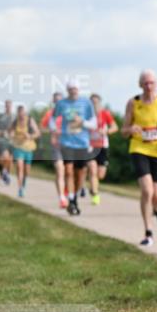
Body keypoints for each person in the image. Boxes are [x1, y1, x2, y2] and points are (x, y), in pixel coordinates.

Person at [122, 70, 157, 246]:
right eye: (145, 83)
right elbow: (123, 130)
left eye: (151, 83)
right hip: (139, 148)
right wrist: (131, 129)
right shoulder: (133, 103)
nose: (149, 86)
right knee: (147, 191)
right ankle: (148, 232)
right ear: (140, 85)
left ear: (156, 84)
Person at [50, 81, 98, 215]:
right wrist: (54, 129)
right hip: (66, 142)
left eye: (75, 89)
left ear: (79, 90)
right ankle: (70, 199)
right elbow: (52, 119)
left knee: (80, 173)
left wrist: (82, 122)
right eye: (71, 89)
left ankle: (74, 197)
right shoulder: (62, 104)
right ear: (67, 90)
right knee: (69, 171)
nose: (73, 91)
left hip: (82, 143)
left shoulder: (86, 103)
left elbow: (94, 123)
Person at [87, 93, 118, 206]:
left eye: (96, 102)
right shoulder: (87, 115)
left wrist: (106, 131)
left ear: (100, 103)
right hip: (90, 147)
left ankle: (92, 187)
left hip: (103, 146)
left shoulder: (105, 114)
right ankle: (95, 194)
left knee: (101, 175)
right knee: (92, 169)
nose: (94, 104)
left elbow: (115, 127)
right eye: (92, 102)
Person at [41, 92, 69, 208]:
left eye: (60, 100)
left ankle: (67, 191)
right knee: (59, 170)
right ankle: (62, 197)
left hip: (69, 146)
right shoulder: (49, 114)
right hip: (56, 146)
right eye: (55, 100)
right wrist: (51, 131)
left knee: (68, 172)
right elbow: (41, 128)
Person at [9, 104, 41, 197]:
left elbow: (38, 133)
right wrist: (11, 134)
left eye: (22, 113)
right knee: (19, 167)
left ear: (25, 112)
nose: (21, 115)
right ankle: (20, 188)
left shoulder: (30, 120)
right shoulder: (15, 122)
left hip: (28, 147)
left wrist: (30, 136)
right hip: (18, 147)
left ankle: (24, 182)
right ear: (17, 113)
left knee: (27, 171)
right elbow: (10, 131)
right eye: (19, 113)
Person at [0, 100, 15, 185]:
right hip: (2, 140)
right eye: (6, 105)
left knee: (10, 160)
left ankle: (6, 174)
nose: (8, 107)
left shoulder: (14, 116)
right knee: (5, 157)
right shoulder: (0, 116)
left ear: (11, 106)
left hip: (12, 141)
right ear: (5, 106)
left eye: (9, 105)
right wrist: (4, 132)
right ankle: (3, 171)